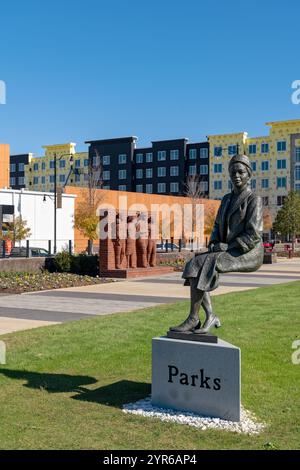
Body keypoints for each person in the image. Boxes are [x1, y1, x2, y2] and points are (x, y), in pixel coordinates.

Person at [170, 153, 264, 334]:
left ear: (248, 175)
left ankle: (194, 318)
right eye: (233, 172)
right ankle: (208, 315)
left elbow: (253, 234)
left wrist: (228, 246)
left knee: (203, 263)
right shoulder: (227, 199)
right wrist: (214, 242)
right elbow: (216, 226)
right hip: (227, 249)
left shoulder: (253, 200)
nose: (236, 176)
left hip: (247, 252)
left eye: (240, 172)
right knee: (193, 265)